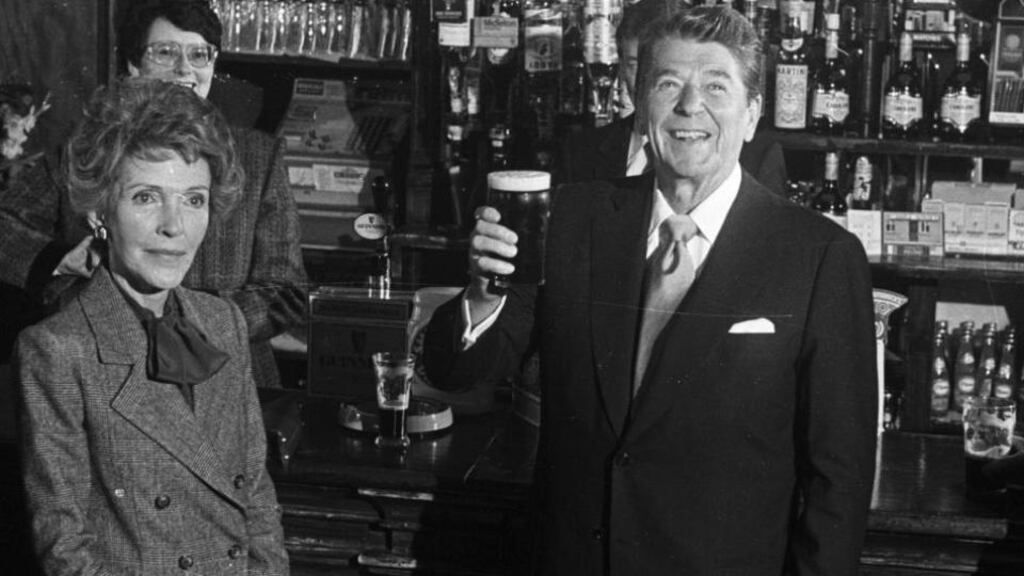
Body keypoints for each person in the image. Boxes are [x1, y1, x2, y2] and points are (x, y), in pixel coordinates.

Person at [424, 6, 877, 575]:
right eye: (668, 84)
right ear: (639, 103)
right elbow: (455, 372)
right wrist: (483, 293)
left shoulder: (820, 256)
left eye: (716, 86)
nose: (690, 106)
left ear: (752, 114)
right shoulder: (570, 219)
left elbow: (840, 478)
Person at [14, 78, 289, 575]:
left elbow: (257, 501)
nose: (174, 226)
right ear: (99, 212)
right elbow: (65, 550)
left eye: (194, 200)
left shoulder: (223, 322)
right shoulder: (57, 350)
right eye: (146, 197)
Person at [0, 0, 306, 388]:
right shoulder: (90, 148)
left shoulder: (259, 156)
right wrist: (60, 261)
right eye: (165, 52)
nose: (185, 69)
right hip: (104, 367)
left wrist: (192, 326)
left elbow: (286, 292)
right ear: (133, 64)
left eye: (199, 55)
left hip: (231, 375)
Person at [559, 0, 789, 196]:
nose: (690, 104)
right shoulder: (580, 153)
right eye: (635, 64)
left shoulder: (759, 159)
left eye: (714, 86)